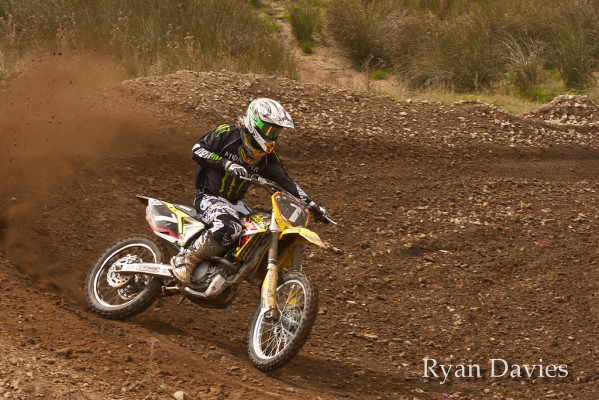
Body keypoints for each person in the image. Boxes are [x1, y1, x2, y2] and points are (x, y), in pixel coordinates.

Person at [172, 98, 331, 285]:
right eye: (270, 129)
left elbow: (287, 183)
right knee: (230, 227)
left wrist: (312, 205)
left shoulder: (266, 158)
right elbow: (198, 149)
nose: (273, 136)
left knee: (262, 230)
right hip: (209, 196)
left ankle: (232, 270)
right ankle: (186, 259)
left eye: (277, 131)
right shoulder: (228, 134)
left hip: (235, 204)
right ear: (255, 122)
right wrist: (226, 164)